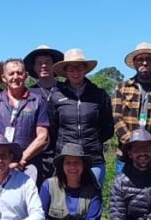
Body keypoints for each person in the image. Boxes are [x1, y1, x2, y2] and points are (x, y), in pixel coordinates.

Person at [46, 48, 113, 186]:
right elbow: (52, 129)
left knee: (93, 201)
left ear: (85, 70)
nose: (75, 72)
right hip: (65, 159)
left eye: (79, 68)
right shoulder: (56, 96)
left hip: (93, 159)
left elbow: (108, 127)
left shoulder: (99, 95)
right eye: (71, 69)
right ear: (65, 71)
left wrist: (92, 141)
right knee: (65, 202)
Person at [110, 42, 151, 172]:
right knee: (123, 190)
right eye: (140, 59)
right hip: (125, 155)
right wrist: (132, 142)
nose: (144, 63)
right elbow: (116, 118)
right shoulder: (122, 88)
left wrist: (150, 143)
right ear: (134, 63)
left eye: (148, 59)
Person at [0, 59, 50, 178]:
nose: (15, 77)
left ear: (26, 75)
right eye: (11, 74)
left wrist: (22, 159)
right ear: (4, 77)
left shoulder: (38, 101)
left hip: (29, 164)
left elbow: (43, 136)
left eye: (19, 73)